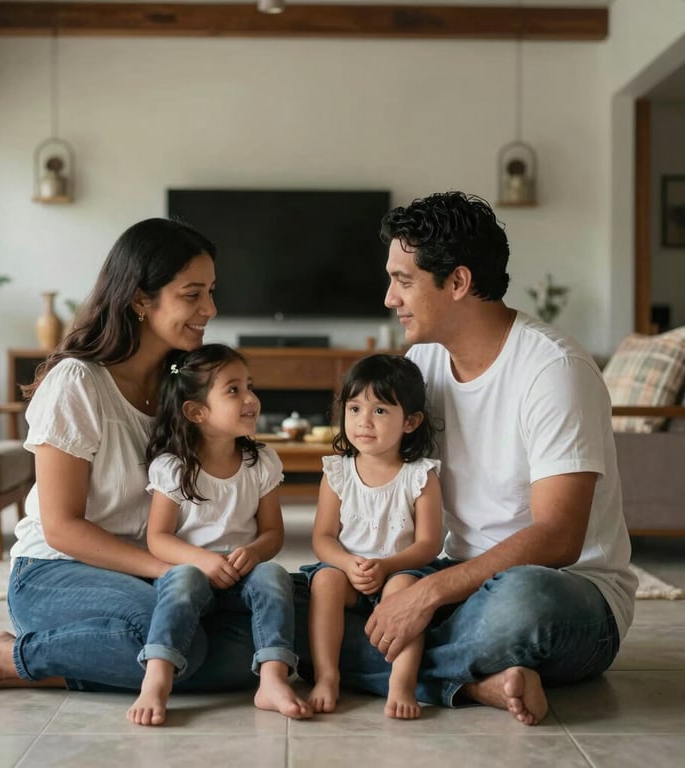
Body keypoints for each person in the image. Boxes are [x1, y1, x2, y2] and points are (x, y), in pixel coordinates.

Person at [294, 191, 636, 726]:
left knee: (522, 605)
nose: (389, 298)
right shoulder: (422, 363)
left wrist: (429, 593)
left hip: (564, 591)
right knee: (302, 597)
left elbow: (559, 537)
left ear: (457, 282)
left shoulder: (554, 370)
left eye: (403, 280)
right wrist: (377, 573)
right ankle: (477, 685)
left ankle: (395, 666)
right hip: (450, 573)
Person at [0, 217, 258, 697]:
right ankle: (8, 656)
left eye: (210, 291)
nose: (210, 308)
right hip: (55, 572)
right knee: (166, 645)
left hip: (146, 573)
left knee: (262, 641)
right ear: (141, 299)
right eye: (192, 294)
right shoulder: (77, 382)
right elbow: (62, 527)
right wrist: (172, 572)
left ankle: (93, 660)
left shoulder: (181, 387)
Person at [127, 343, 311, 725]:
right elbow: (158, 538)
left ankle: (273, 679)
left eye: (250, 385)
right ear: (197, 412)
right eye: (233, 390)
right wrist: (202, 560)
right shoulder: (173, 467)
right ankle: (157, 678)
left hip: (243, 577)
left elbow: (273, 533)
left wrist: (256, 553)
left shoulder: (261, 462)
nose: (250, 398)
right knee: (183, 580)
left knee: (275, 575)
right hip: (194, 572)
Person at [300, 354, 443, 720]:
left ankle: (401, 682)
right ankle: (327, 676)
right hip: (350, 574)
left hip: (399, 571)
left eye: (380, 411)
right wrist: (348, 563)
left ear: (410, 422)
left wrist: (388, 566)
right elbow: (323, 537)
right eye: (354, 408)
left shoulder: (421, 476)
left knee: (402, 590)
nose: (363, 421)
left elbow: (429, 544)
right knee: (326, 580)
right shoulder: (337, 472)